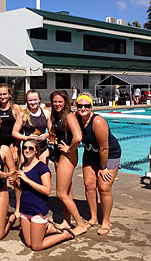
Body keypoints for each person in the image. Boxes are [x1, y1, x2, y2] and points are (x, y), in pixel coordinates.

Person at [12, 140, 75, 250]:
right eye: (25, 147)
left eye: (31, 148)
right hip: (25, 209)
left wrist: (27, 180)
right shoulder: (23, 166)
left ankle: (65, 235)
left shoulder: (42, 167)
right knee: (29, 243)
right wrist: (16, 184)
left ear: (36, 150)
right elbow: (23, 189)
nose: (27, 150)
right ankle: (49, 228)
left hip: (38, 209)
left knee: (36, 246)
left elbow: (47, 190)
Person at [75, 92, 121, 236]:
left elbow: (104, 148)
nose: (83, 108)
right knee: (89, 185)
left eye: (86, 106)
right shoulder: (76, 118)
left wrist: (103, 167)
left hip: (109, 154)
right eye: (80, 106)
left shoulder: (98, 121)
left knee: (104, 188)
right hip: (90, 153)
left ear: (91, 107)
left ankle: (106, 221)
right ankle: (93, 217)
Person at [48, 90, 86, 236]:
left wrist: (69, 149)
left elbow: (78, 137)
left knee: (61, 193)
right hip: (60, 154)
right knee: (67, 191)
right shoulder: (56, 116)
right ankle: (67, 220)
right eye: (55, 101)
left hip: (68, 155)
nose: (57, 104)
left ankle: (81, 224)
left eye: (60, 102)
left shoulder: (69, 116)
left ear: (66, 102)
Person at [0, 83, 22, 216]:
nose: (2, 96)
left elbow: (19, 129)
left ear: (9, 94)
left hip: (12, 146)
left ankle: (18, 207)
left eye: (5, 94)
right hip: (0, 148)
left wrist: (16, 148)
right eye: (0, 94)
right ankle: (3, 206)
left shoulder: (15, 108)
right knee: (1, 178)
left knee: (15, 177)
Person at [12, 90, 51, 164]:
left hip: (43, 148)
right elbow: (14, 133)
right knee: (28, 173)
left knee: (43, 172)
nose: (33, 102)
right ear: (27, 101)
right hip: (28, 148)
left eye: (35, 100)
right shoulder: (22, 115)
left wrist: (45, 135)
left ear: (39, 99)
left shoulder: (46, 113)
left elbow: (51, 131)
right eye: (30, 100)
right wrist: (27, 137)